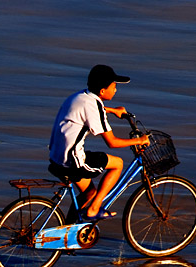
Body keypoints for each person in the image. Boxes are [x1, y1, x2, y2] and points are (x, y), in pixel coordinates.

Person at [49, 64, 149, 222]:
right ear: (103, 91)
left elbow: (92, 109)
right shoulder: (94, 106)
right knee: (118, 163)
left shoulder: (80, 96)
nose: (116, 89)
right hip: (72, 160)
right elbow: (112, 142)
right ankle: (94, 209)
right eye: (114, 86)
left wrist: (113, 110)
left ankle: (67, 231)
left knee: (89, 193)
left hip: (57, 155)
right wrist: (140, 140)